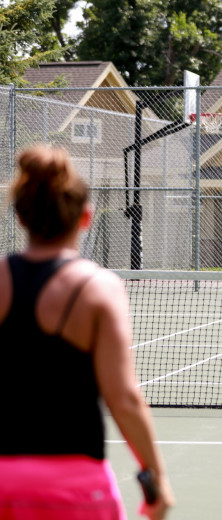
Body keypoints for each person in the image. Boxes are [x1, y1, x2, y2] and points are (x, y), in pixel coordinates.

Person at [0, 145, 174, 519]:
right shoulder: (99, 288)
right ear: (86, 217)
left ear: (20, 217)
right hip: (77, 491)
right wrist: (156, 479)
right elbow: (124, 399)